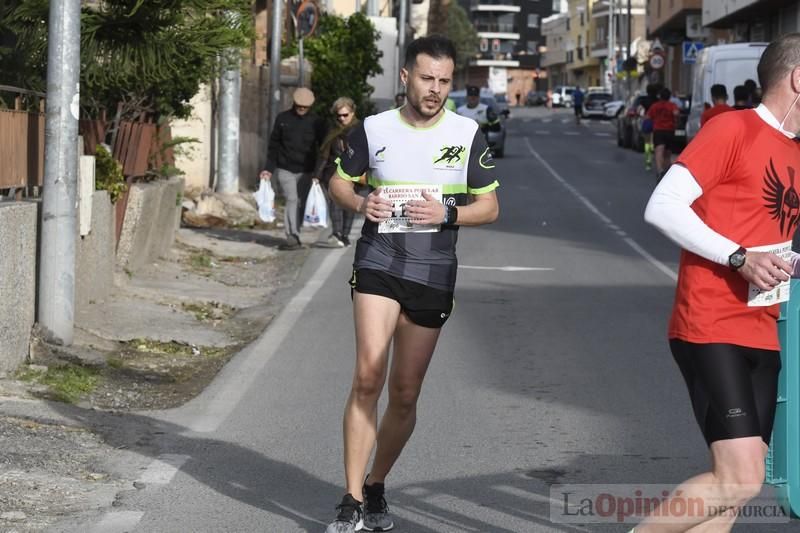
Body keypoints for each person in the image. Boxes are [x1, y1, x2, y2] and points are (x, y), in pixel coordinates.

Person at [325, 34, 500, 533]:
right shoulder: (373, 128)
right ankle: (351, 498)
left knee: (404, 392)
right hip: (379, 261)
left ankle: (377, 482)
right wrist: (361, 203)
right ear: (405, 77)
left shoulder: (467, 134)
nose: (436, 89)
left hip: (432, 272)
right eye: (427, 78)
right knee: (367, 376)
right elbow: (339, 181)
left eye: (445, 81)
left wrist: (448, 212)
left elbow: (489, 207)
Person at [639, 33, 800, 533]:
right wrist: (737, 257)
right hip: (710, 323)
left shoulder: (795, 152)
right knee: (740, 478)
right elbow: (660, 207)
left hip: (762, 327)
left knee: (729, 493)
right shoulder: (734, 129)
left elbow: (775, 239)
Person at [260, 87, 326, 250]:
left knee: (301, 203)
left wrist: (318, 172)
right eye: (299, 106)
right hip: (285, 168)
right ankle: (292, 235)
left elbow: (323, 148)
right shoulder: (283, 119)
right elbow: (274, 145)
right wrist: (268, 168)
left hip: (306, 171)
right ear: (294, 104)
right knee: (292, 199)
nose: (302, 109)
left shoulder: (317, 122)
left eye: (305, 107)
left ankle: (296, 231)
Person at [313, 97, 361, 247]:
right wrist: (317, 175)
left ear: (353, 113)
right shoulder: (332, 130)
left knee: (350, 206)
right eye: (339, 115)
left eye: (345, 115)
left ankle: (345, 235)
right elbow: (325, 153)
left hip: (354, 173)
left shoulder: (361, 130)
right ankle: (337, 233)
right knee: (334, 203)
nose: (341, 119)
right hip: (333, 173)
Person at [646, 87, 679, 179]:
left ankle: (660, 171)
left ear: (660, 96)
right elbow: (676, 114)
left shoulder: (655, 106)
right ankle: (667, 172)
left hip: (658, 130)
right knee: (668, 153)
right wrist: (675, 122)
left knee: (659, 150)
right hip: (670, 130)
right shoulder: (672, 105)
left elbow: (648, 117)